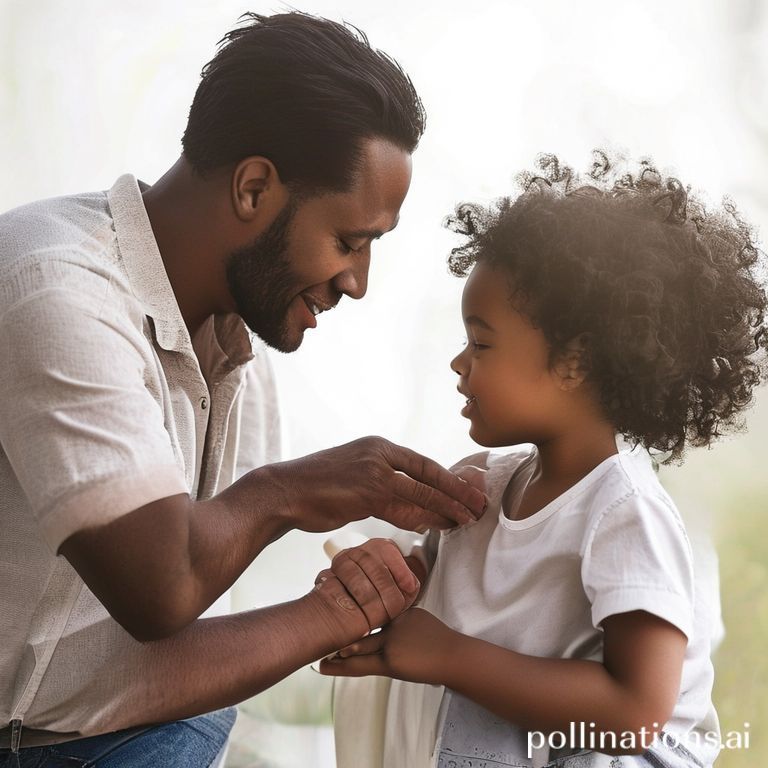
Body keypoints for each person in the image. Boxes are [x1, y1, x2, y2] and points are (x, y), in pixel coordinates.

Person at [0, 11, 488, 767]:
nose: (357, 283)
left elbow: (165, 656)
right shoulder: (56, 289)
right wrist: (287, 491)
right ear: (254, 188)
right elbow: (162, 591)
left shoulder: (237, 363)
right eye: (349, 241)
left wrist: (344, 609)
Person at [322, 152, 768, 768]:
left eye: (481, 343)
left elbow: (637, 713)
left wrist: (448, 656)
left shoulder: (623, 512)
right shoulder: (481, 486)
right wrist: (384, 569)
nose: (458, 363)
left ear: (573, 362)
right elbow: (430, 585)